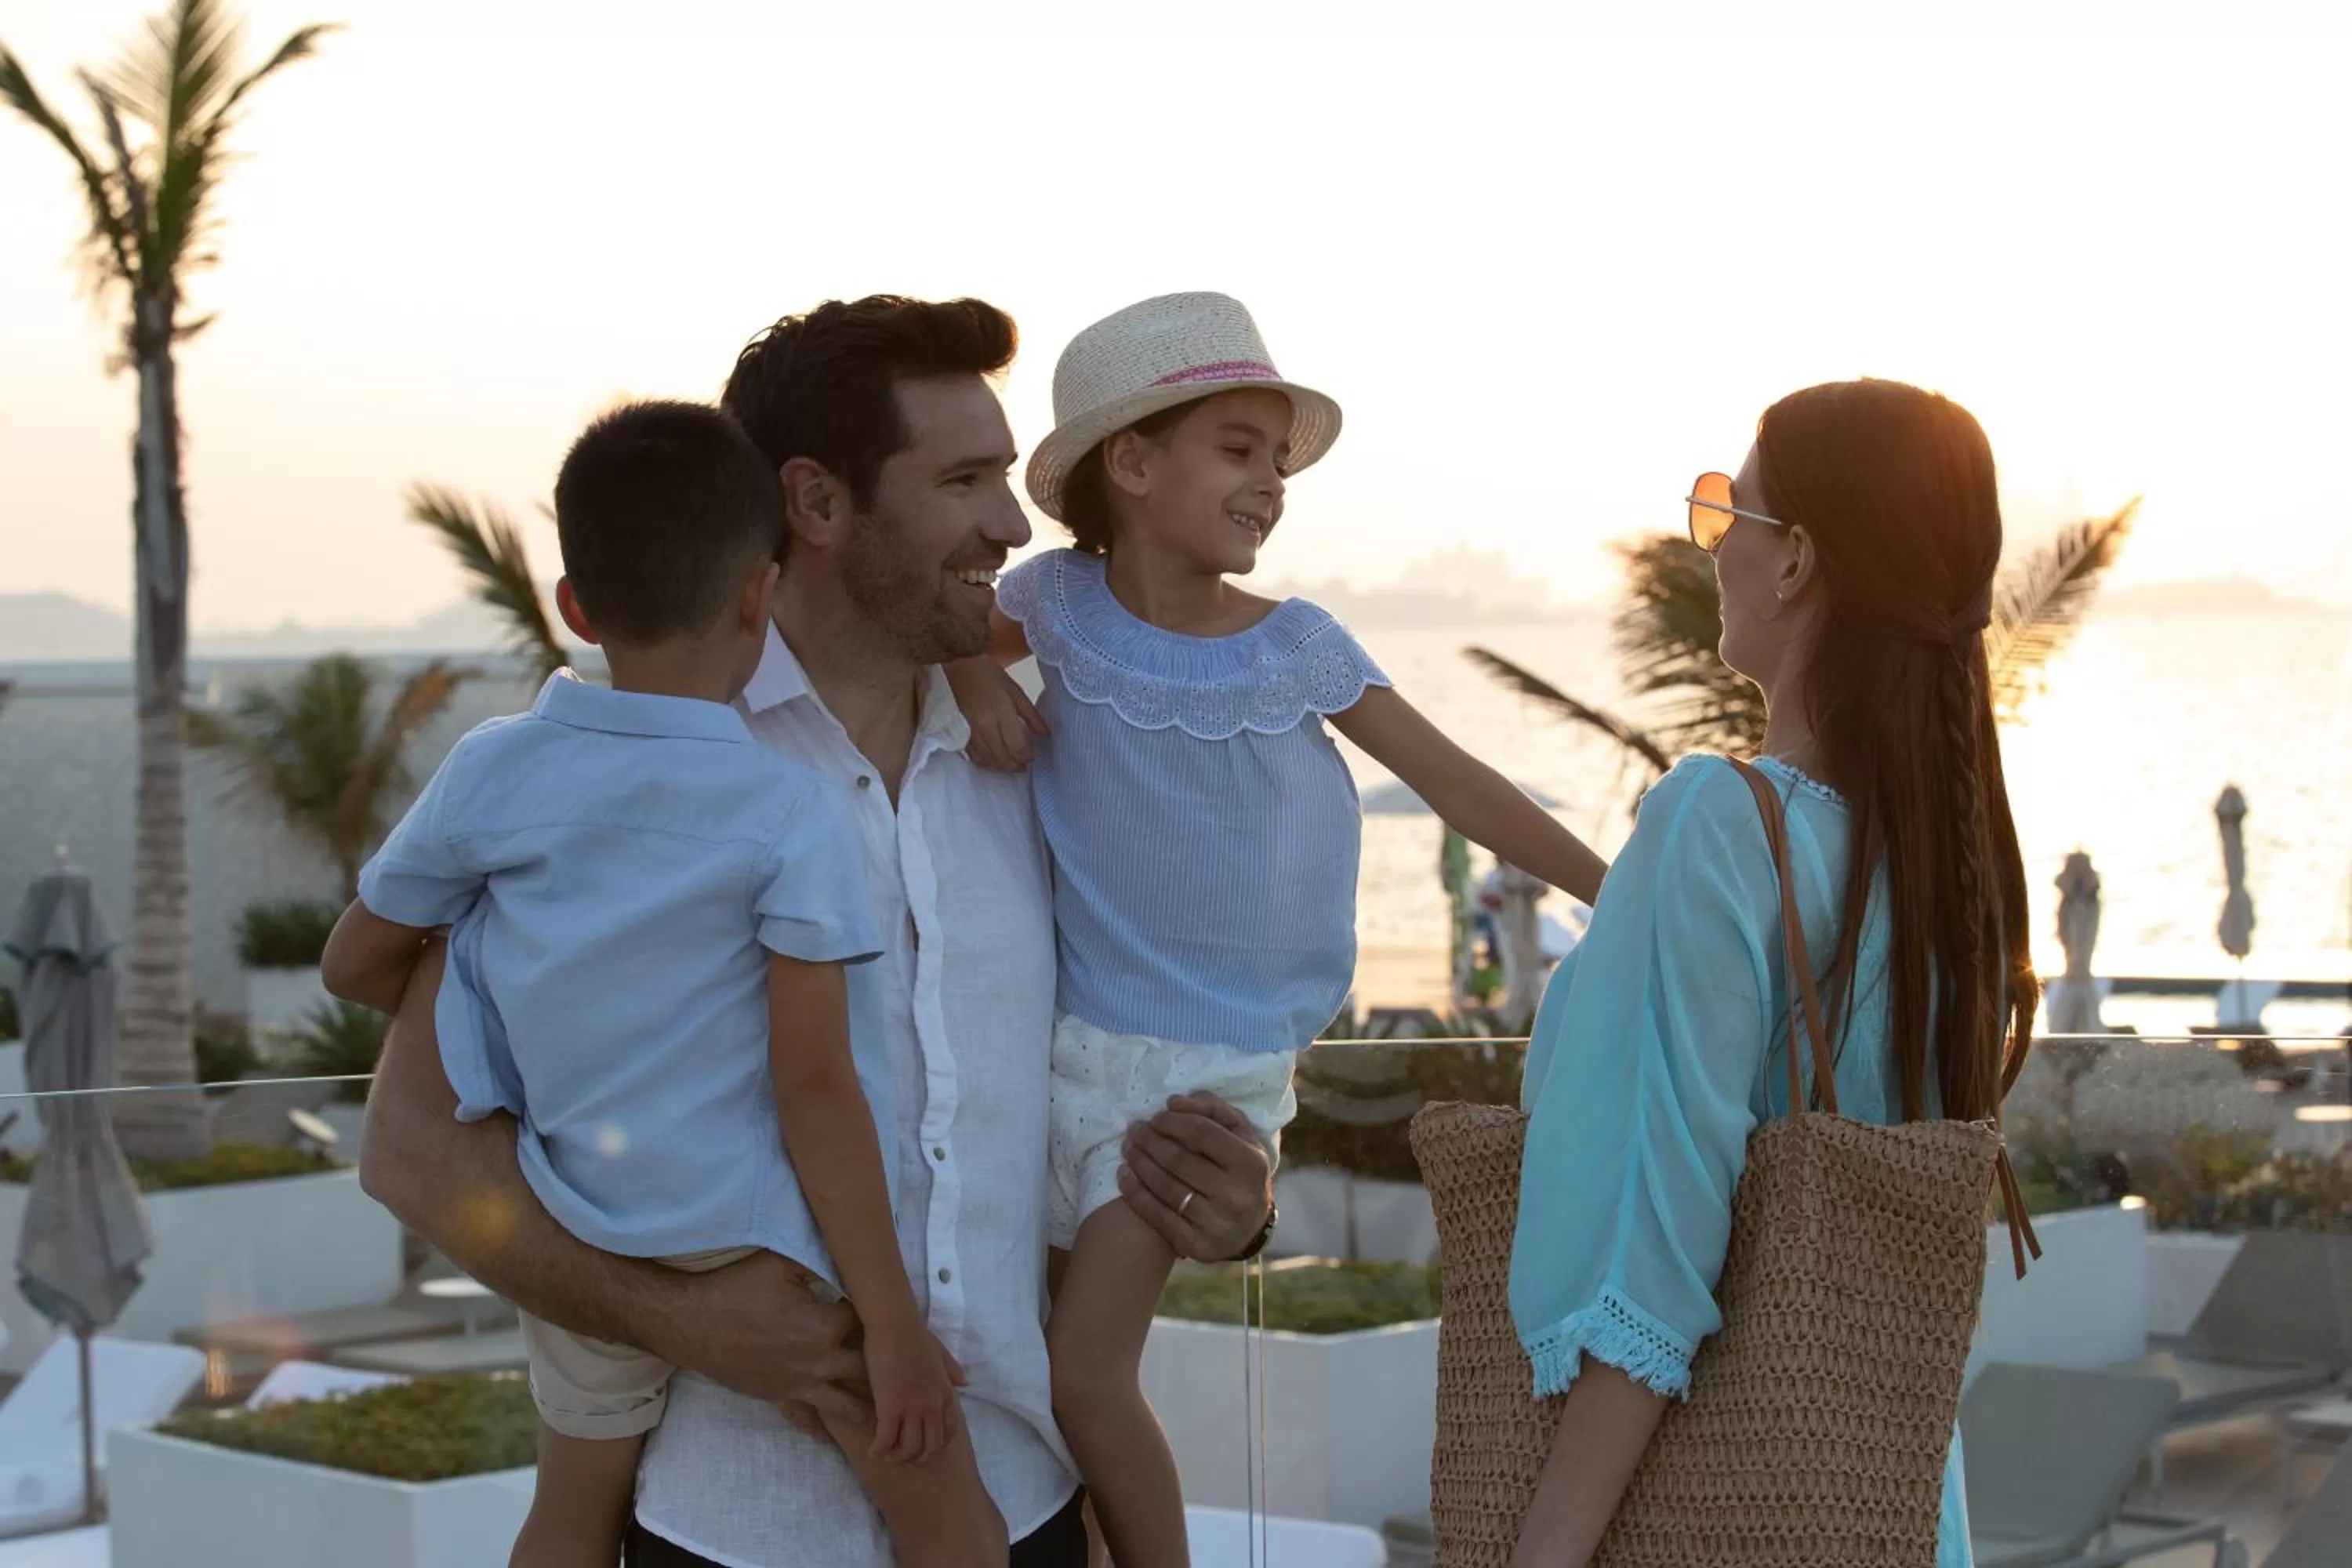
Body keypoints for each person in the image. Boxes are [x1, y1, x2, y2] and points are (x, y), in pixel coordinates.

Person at [355, 296, 1283, 1568]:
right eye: (964, 480)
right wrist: (676, 1316)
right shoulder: (617, 775)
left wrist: (1229, 1202)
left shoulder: (1055, 750)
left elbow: (1136, 1062)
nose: (1013, 526)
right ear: (818, 502)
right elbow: (413, 1154)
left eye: (1005, 479)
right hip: (727, 1527)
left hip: (1032, 1504)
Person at [946, 292, 1612, 1568]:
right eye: (1240, 451)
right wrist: (980, 690)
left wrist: (1616, 892)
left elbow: (1460, 783)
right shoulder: (1053, 606)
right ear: (1132, 463)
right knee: (1028, 1372)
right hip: (1059, 1044)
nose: (1273, 484)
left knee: (1085, 1378)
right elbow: (949, 638)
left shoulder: (1296, 647)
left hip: (1205, 1072)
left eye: (1278, 460)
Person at [320, 400, 993, 1567]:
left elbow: (356, 961)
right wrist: (890, 1320)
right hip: (755, 1241)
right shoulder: (790, 812)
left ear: (575, 607)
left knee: (571, 1511)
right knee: (953, 1521)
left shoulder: (495, 768)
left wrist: (534, 991)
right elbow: (816, 1086)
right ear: (758, 597)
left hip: (573, 1213)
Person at [1503, 379, 2038, 1567]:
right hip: (1886, 1503)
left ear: (1795, 560)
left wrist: (1543, 1549)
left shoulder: (1717, 820)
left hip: (1706, 1512)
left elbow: (1654, 1252)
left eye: (1723, 514)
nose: (1713, 549)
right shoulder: (1955, 860)